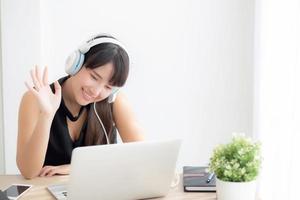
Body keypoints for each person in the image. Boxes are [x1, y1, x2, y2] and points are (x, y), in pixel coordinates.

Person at [17, 34, 145, 179]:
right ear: (76, 63)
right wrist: (46, 116)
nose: (96, 92)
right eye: (94, 77)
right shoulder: (35, 99)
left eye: (108, 87)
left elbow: (142, 157)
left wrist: (76, 168)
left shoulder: (114, 102)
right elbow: (28, 172)